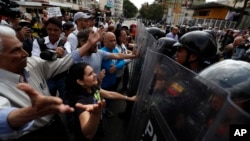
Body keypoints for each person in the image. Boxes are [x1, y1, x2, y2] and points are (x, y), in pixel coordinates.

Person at [0, 24, 105, 140]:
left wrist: (89, 44)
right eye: (16, 51)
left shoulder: (32, 64)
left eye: (21, 47)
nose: (25, 53)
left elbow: (65, 62)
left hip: (55, 125)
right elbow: (2, 117)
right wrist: (29, 113)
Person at [65, 62, 136, 141]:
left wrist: (129, 98)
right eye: (90, 74)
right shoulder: (81, 101)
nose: (95, 74)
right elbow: (88, 135)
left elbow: (109, 94)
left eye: (93, 72)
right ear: (80, 81)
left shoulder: (92, 88)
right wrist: (96, 114)